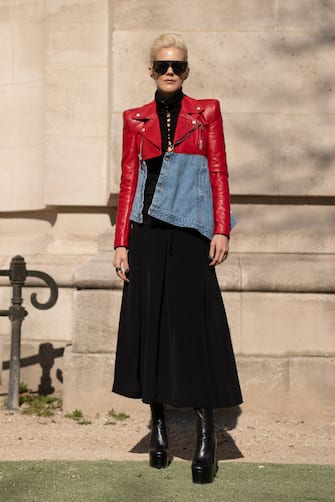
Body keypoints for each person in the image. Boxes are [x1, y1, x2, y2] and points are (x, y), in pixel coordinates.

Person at [112, 33, 242, 484]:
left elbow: (218, 169)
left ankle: (208, 435)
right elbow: (129, 179)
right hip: (146, 235)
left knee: (195, 330)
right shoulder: (134, 119)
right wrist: (121, 241)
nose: (171, 72)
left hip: (190, 234)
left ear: (187, 70)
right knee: (150, 327)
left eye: (179, 66)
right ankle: (160, 428)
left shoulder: (205, 113)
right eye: (163, 65)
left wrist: (221, 227)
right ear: (150, 69)